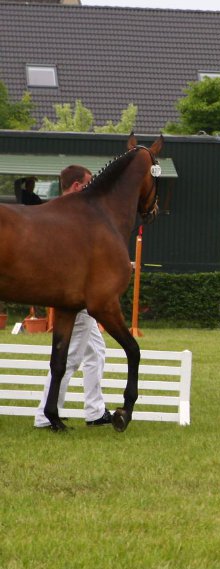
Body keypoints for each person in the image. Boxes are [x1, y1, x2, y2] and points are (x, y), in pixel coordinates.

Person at [33, 164, 112, 429]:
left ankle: (95, 410)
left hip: (74, 294)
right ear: (78, 186)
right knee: (69, 358)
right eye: (89, 184)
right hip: (75, 298)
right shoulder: (73, 216)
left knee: (96, 352)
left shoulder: (57, 212)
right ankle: (46, 415)